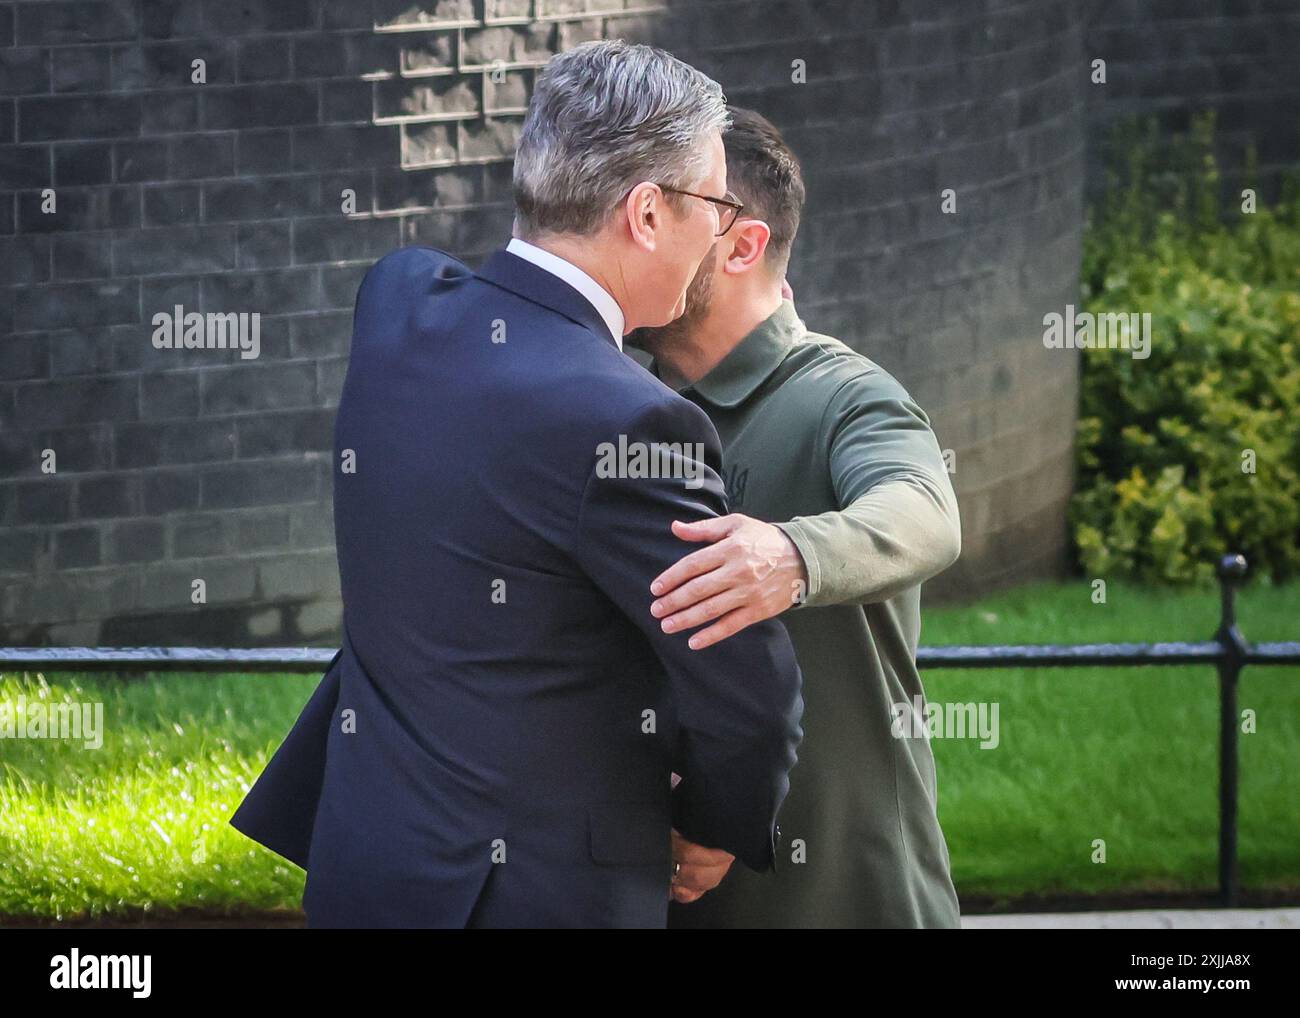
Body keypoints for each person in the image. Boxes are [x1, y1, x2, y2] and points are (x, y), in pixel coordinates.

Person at [228, 43, 803, 929]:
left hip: (364, 866)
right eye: (718, 205)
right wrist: (713, 828)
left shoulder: (396, 304)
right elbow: (746, 691)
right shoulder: (636, 423)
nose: (723, 232)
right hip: (532, 899)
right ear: (647, 213)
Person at [628, 107, 963, 928]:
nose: (633, 235)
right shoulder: (624, 408)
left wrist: (791, 554)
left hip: (849, 898)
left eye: (669, 214)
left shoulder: (847, 394)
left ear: (742, 244)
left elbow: (925, 512)